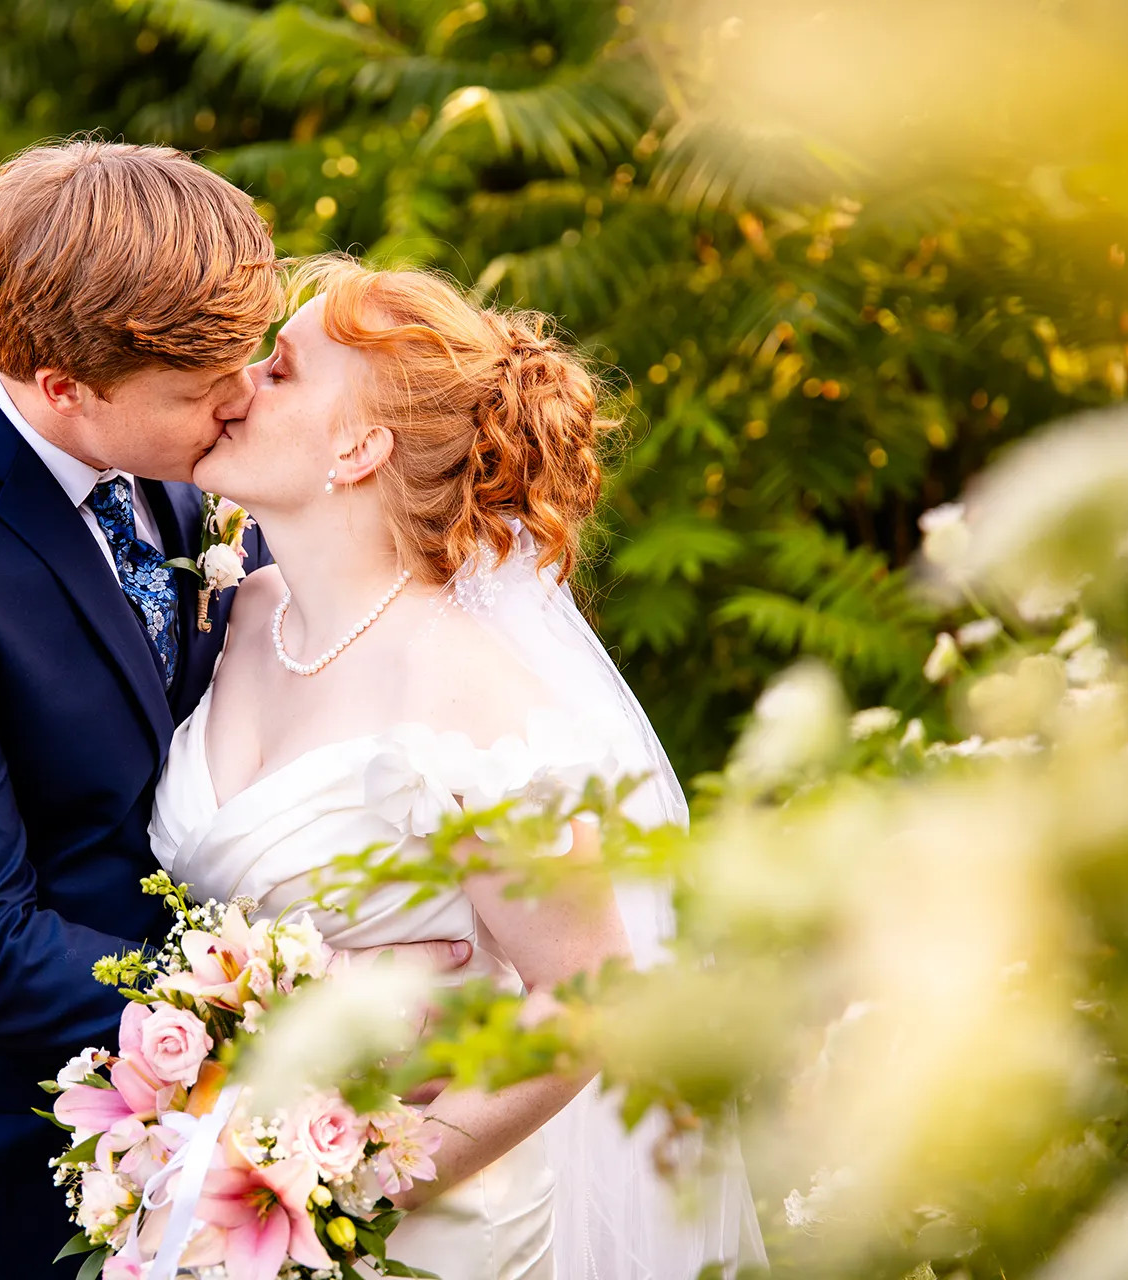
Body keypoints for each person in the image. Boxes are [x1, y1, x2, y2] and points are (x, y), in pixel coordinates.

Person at [0, 144, 471, 1280]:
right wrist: (311, 1004)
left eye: (246, 363)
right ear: (64, 387)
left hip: (207, 1173)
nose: (239, 406)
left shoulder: (184, 469)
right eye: (199, 390)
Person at [148, 255, 767, 1279]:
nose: (238, 382)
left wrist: (357, 1187)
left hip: (413, 1229)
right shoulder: (247, 615)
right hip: (218, 1193)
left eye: (283, 369)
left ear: (359, 445)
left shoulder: (475, 702)